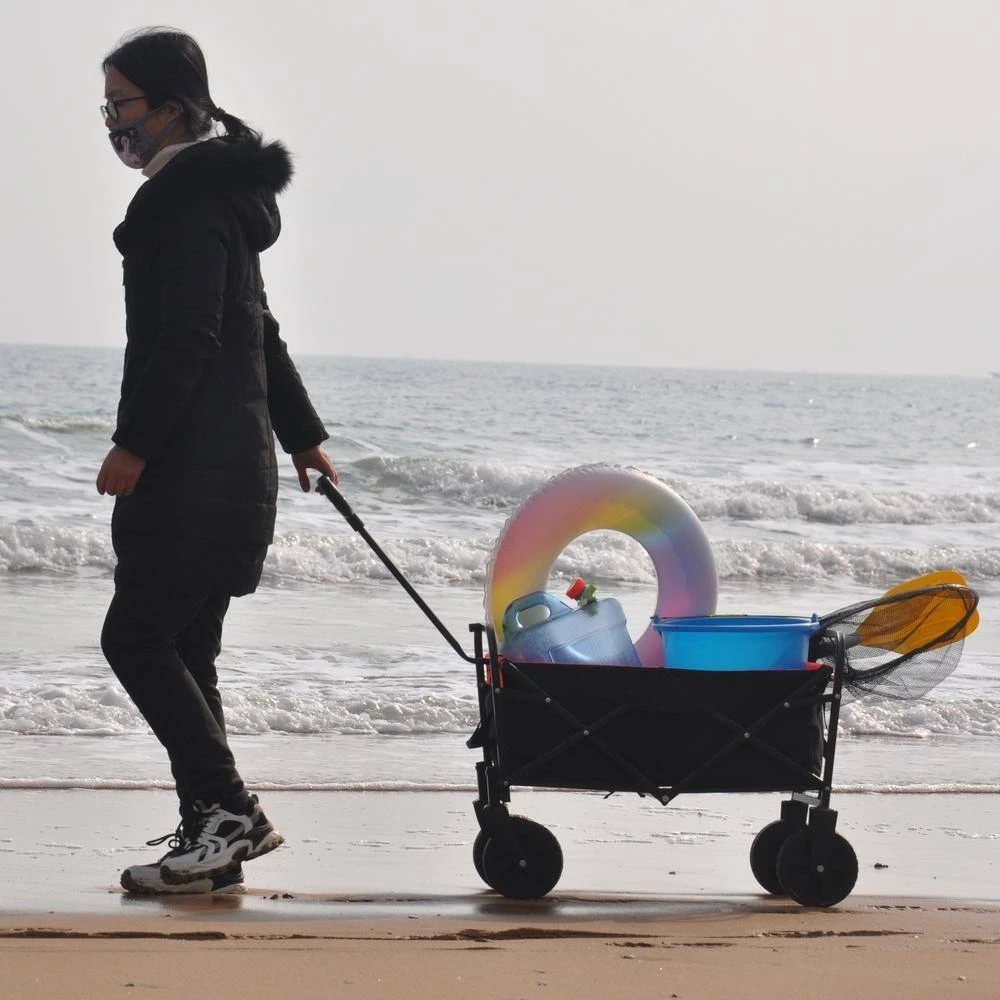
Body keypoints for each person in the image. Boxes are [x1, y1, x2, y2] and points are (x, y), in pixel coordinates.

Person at [96, 28, 338, 895]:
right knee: (186, 653)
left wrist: (135, 443)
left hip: (195, 471)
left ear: (170, 108)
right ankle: (212, 837)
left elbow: (192, 338)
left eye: (121, 105)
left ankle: (229, 811)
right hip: (232, 467)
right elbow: (257, 330)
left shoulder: (191, 206)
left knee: (134, 639)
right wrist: (302, 435)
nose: (113, 123)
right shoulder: (217, 197)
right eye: (106, 107)